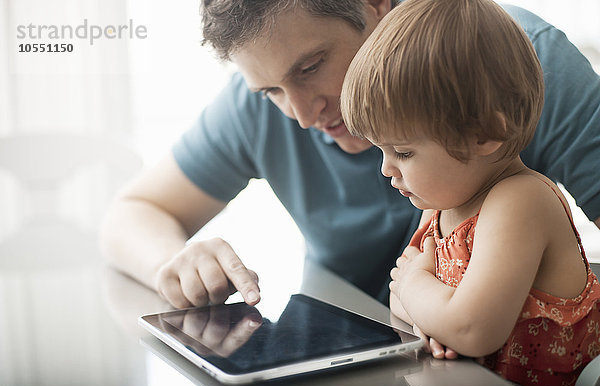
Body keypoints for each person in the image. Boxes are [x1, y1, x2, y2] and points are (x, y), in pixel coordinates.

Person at [100, 0, 600, 316]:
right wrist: (173, 263)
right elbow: (134, 212)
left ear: (376, 6)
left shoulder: (518, 64)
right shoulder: (257, 107)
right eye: (271, 89)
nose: (299, 113)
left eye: (312, 67)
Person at [339, 0, 600, 386]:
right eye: (381, 151)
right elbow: (401, 304)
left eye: (404, 152)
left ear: (481, 134)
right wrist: (432, 312)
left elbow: (471, 329)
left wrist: (421, 293)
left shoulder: (521, 202)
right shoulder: (441, 206)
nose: (386, 169)